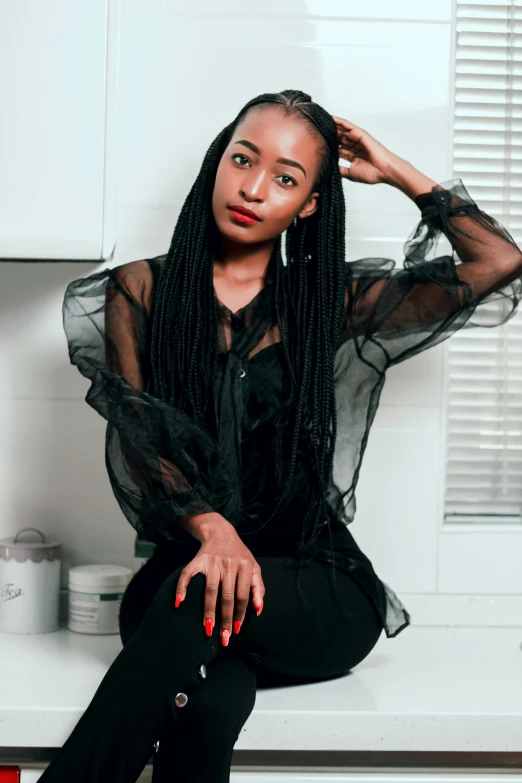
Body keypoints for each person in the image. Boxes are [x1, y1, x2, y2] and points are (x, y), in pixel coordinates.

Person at [40, 89, 522, 782]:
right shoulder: (139, 289)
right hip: (187, 576)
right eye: (243, 159)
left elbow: (497, 262)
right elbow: (142, 437)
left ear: (311, 204)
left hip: (316, 587)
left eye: (287, 178)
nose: (254, 187)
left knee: (187, 624)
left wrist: (396, 170)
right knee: (204, 707)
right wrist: (214, 530)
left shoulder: (328, 303)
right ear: (218, 161)